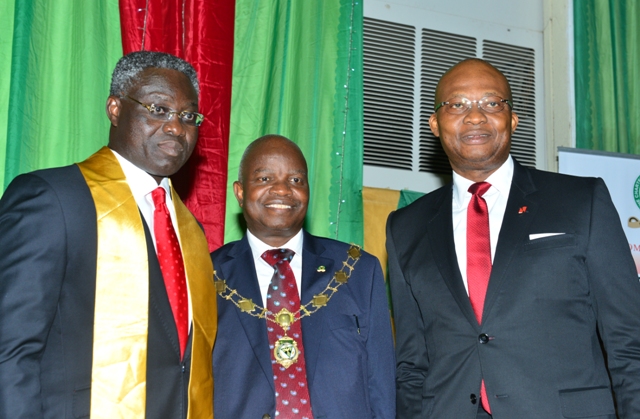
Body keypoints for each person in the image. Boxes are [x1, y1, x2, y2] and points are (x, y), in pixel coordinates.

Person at [386, 58, 640, 418]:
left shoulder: (582, 200)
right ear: (434, 124)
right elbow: (411, 365)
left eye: (492, 103)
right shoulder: (405, 227)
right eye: (456, 104)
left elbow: (630, 343)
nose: (475, 116)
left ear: (513, 120)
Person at [0, 51, 217, 419]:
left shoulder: (189, 229)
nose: (176, 128)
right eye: (158, 109)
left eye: (187, 116)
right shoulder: (53, 199)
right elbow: (10, 350)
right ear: (115, 108)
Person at [212, 134, 395, 419]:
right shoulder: (206, 274)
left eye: (296, 180)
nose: (282, 190)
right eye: (264, 179)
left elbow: (381, 385)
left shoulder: (358, 269)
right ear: (239, 191)